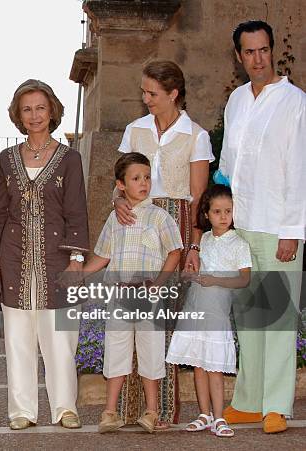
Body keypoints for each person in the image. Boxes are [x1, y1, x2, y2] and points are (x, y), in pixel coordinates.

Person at [0, 79, 89, 430]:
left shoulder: (69, 159)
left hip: (58, 261)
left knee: (60, 340)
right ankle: (22, 411)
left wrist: (76, 259)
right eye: (26, 109)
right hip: (14, 260)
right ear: (18, 115)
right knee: (17, 340)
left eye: (40, 107)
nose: (34, 115)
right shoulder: (7, 159)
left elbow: (77, 212)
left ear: (52, 110)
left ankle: (65, 408)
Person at [113, 60, 214, 425]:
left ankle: (162, 410)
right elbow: (119, 183)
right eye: (143, 91)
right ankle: (128, 410)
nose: (145, 98)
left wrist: (194, 246)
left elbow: (199, 197)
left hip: (176, 225)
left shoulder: (195, 135)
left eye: (152, 93)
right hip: (136, 227)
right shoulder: (134, 130)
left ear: (173, 94)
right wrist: (118, 202)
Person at [218, 20, 306, 434]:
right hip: (242, 225)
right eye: (249, 51)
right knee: (249, 316)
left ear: (273, 51)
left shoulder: (295, 102)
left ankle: (276, 405)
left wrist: (293, 231)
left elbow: (300, 171)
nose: (258, 58)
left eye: (264, 50)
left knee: (278, 320)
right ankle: (250, 401)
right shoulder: (235, 101)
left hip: (278, 226)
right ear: (239, 57)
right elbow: (228, 167)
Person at [83, 152, 182, 434]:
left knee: (151, 354)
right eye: (136, 178)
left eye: (147, 177)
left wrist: (160, 283)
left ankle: (152, 412)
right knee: (116, 352)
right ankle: (109, 412)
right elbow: (102, 255)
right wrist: (79, 274)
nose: (144, 183)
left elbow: (175, 251)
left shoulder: (160, 217)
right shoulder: (115, 220)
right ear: (121, 185)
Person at [166, 185, 252, 438]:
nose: (223, 216)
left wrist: (215, 280)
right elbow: (192, 272)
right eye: (217, 211)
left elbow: (244, 280)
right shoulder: (201, 240)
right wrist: (190, 276)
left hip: (217, 314)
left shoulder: (239, 244)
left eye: (228, 211)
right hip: (196, 309)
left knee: (214, 368)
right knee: (198, 366)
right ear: (207, 213)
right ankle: (204, 414)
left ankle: (220, 416)